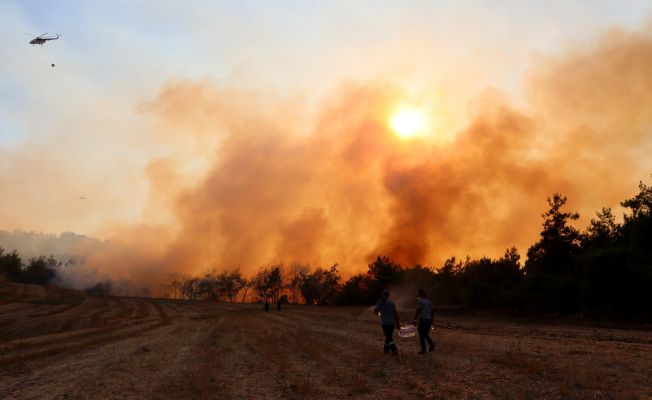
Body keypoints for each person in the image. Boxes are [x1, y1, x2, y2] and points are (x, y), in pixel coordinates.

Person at [373, 288, 401, 355]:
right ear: (388, 295)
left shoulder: (380, 302)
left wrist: (379, 314)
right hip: (392, 323)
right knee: (389, 336)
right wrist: (397, 323)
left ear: (383, 294)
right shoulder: (392, 303)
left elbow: (375, 311)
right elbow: (395, 313)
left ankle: (394, 350)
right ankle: (386, 349)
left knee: (389, 337)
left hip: (385, 323)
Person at [413, 289, 435, 355]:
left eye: (417, 293)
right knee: (425, 334)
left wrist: (414, 320)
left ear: (421, 293)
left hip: (423, 320)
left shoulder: (420, 301)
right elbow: (432, 312)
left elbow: (417, 311)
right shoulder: (429, 301)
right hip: (428, 320)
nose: (417, 294)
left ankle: (424, 349)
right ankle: (431, 345)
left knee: (421, 335)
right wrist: (432, 321)